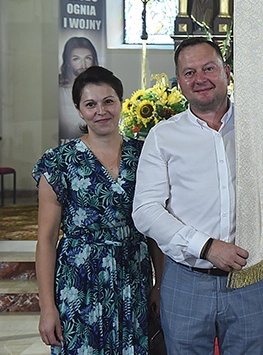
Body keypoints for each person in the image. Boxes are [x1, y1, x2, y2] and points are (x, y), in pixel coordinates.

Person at [132, 37, 263, 354]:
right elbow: (145, 210)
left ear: (226, 72)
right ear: (180, 82)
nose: (200, 79)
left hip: (250, 278)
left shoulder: (260, 129)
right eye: (189, 72)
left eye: (209, 68)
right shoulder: (163, 136)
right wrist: (206, 247)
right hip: (186, 282)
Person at [34, 66, 162, 354]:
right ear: (79, 110)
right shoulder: (58, 163)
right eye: (90, 104)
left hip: (133, 275)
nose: (101, 111)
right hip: (80, 282)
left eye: (108, 101)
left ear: (120, 102)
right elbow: (45, 240)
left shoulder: (146, 155)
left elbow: (156, 227)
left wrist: (160, 283)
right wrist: (47, 307)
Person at [59, 36, 99, 142]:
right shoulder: (59, 93)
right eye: (76, 59)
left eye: (88, 58)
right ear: (68, 62)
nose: (83, 65)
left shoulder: (101, 90)